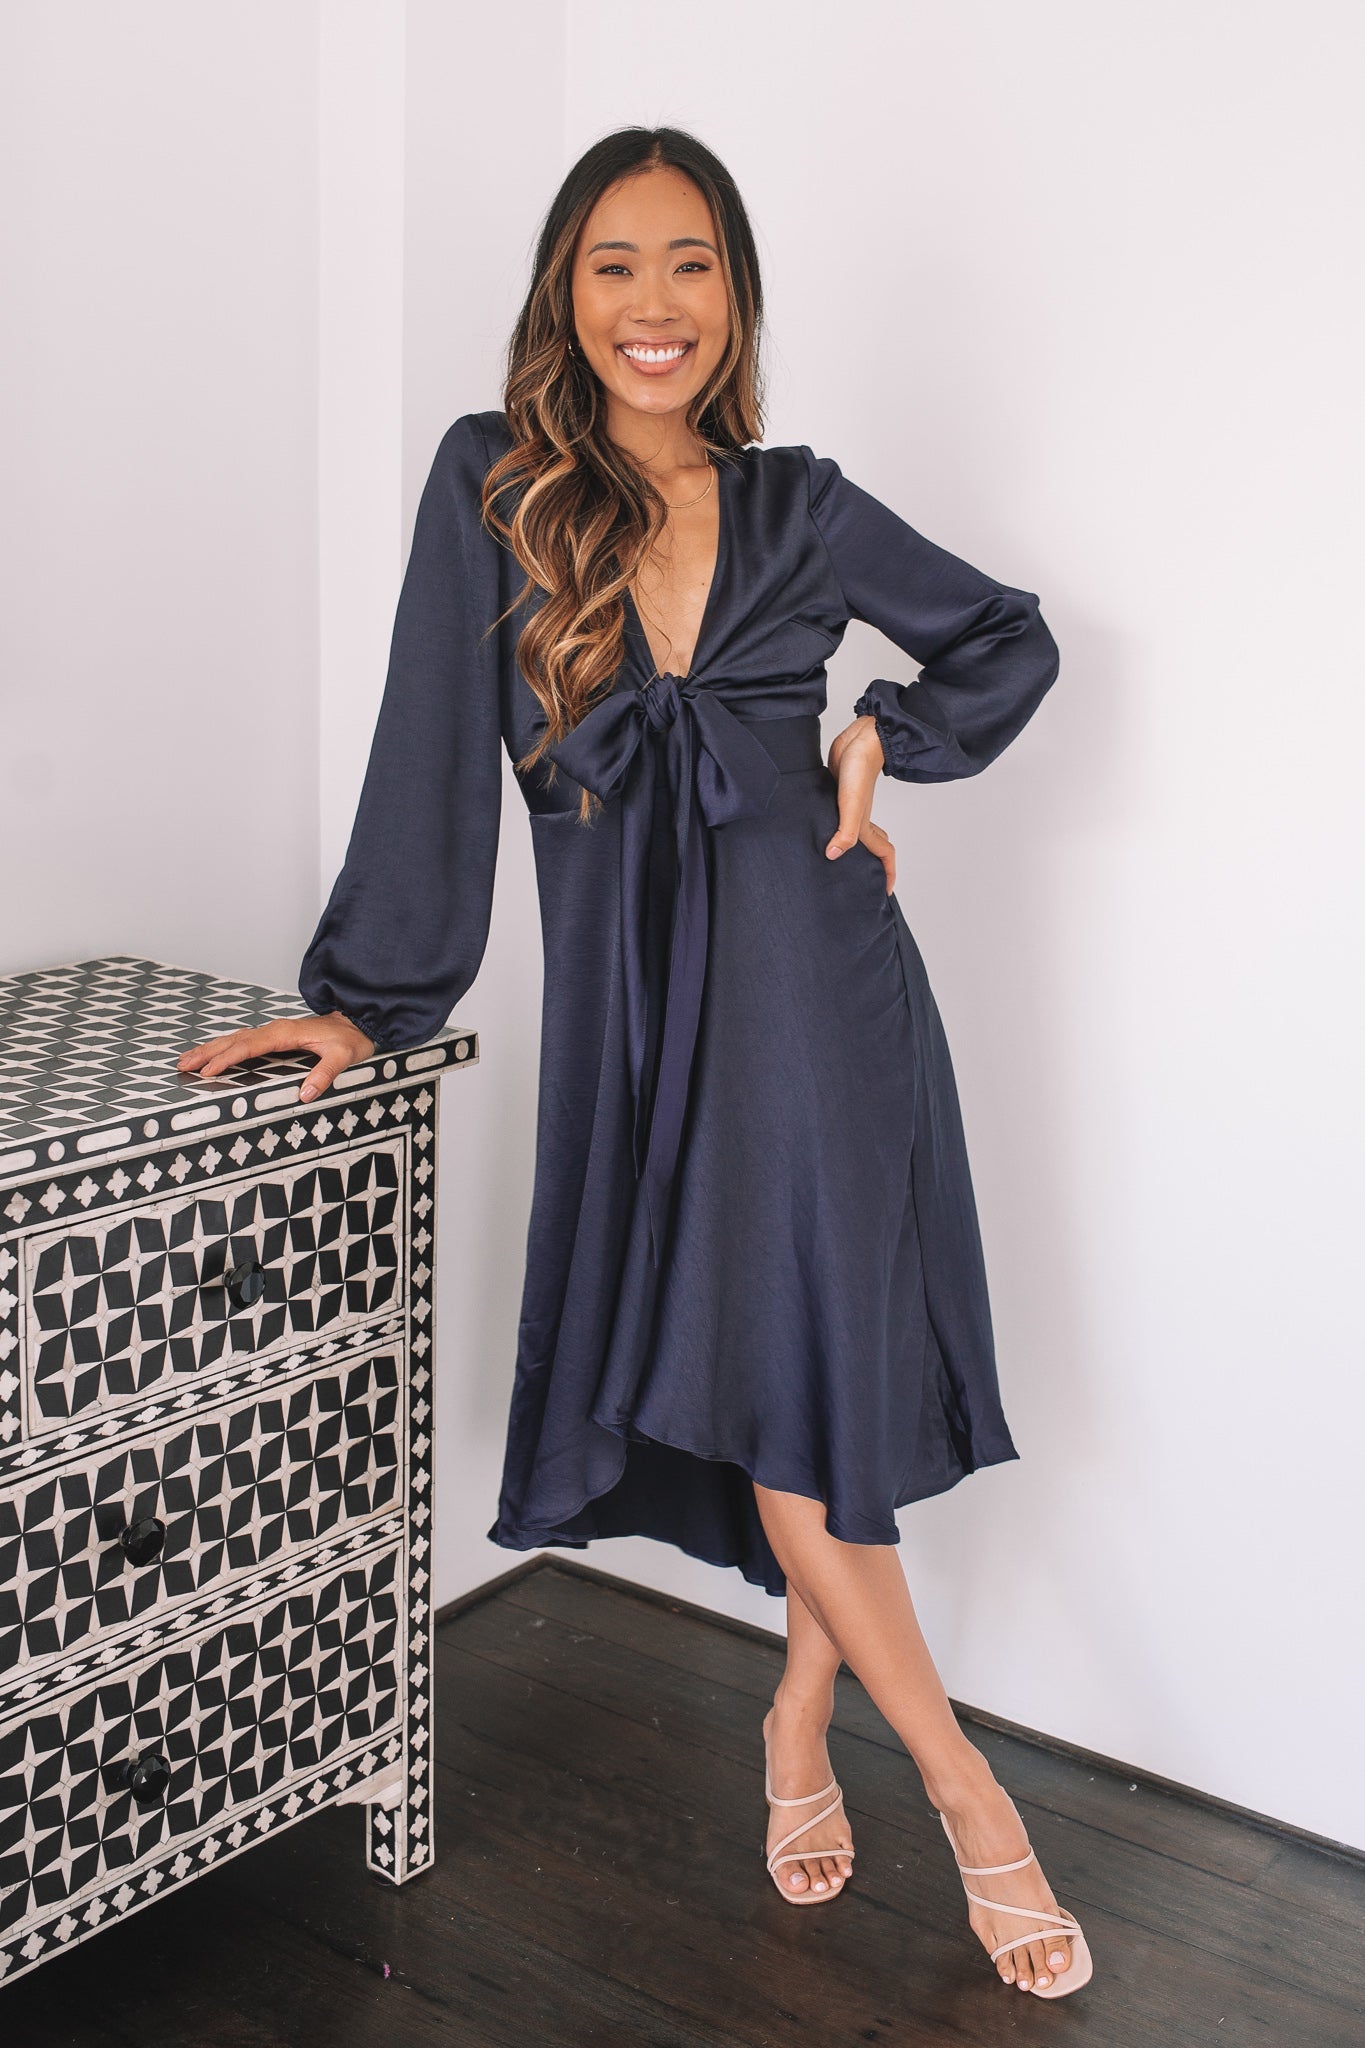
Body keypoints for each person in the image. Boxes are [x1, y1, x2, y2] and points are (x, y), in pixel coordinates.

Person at [178, 126, 1090, 1999]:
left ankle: (949, 1789)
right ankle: (844, 1737)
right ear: (564, 290)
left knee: (812, 1378)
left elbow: (1007, 639)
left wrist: (882, 738)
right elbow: (431, 750)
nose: (653, 303)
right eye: (614, 263)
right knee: (787, 1380)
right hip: (644, 1024)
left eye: (690, 265)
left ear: (734, 295)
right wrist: (365, 996)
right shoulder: (493, 483)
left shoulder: (801, 505)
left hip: (826, 1000)